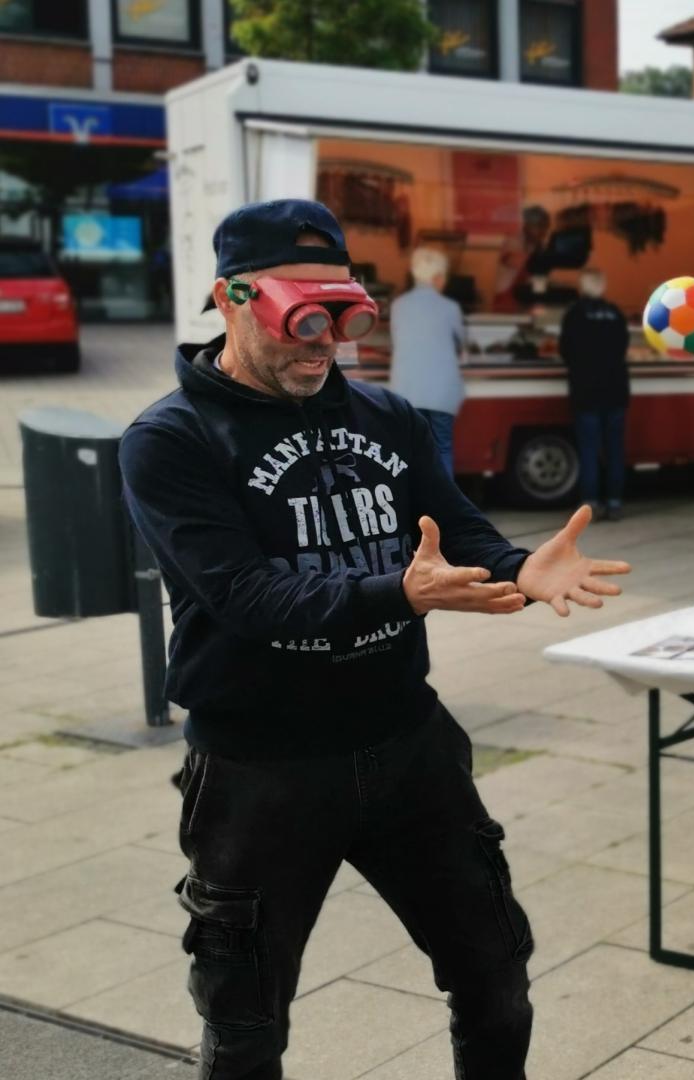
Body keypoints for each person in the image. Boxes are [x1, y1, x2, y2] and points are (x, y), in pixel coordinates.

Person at [120, 199, 632, 1080]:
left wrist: (521, 568)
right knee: (245, 1025)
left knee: (496, 976)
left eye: (342, 317)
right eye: (301, 319)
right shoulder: (170, 440)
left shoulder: (385, 416)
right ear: (232, 298)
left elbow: (456, 531)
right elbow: (246, 596)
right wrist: (397, 590)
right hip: (259, 770)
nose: (323, 345)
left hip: (406, 745)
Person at [388, 247, 468, 479]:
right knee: (442, 447)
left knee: (412, 450)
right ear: (438, 278)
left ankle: (415, 499)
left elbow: (396, 341)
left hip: (407, 389)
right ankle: (444, 500)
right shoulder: (450, 308)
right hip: (442, 391)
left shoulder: (398, 306)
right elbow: (462, 345)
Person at [560, 268, 633, 521]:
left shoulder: (575, 313)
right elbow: (623, 346)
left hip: (586, 391)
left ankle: (590, 504)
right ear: (603, 286)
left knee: (589, 450)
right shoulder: (615, 313)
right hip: (616, 389)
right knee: (615, 449)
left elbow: (565, 350)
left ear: (582, 287)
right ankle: (614, 502)